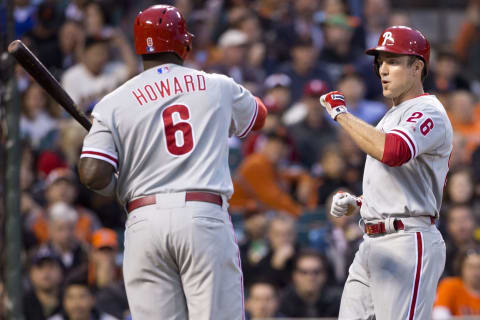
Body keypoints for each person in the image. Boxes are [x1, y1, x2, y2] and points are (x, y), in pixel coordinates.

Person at [77, 5, 267, 320]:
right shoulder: (217, 85)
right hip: (202, 216)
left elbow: (92, 173)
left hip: (143, 221)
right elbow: (258, 116)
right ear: (184, 43)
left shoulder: (113, 101)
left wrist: (119, 181)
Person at [319, 26, 453, 319]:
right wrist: (362, 202)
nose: (383, 70)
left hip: (408, 240)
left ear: (417, 67)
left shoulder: (428, 110)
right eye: (380, 62)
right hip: (372, 241)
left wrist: (341, 114)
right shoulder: (391, 115)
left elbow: (394, 152)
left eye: (393, 61)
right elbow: (401, 181)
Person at [278, 249, 342, 317]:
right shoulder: (281, 302)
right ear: (294, 275)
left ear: (325, 274)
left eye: (316, 272)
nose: (310, 277)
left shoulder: (339, 301)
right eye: (304, 272)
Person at [433, 247, 480, 318]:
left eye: (478, 267)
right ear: (461, 268)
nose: (475, 272)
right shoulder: (450, 286)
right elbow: (439, 315)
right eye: (470, 267)